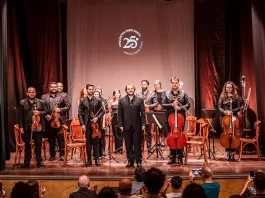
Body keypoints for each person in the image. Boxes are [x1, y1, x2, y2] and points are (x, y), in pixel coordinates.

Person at [162, 77, 190, 165]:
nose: (174, 84)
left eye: (176, 83)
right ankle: (172, 157)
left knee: (180, 135)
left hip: (181, 116)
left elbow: (188, 104)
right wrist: (172, 104)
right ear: (171, 84)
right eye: (173, 83)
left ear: (178, 84)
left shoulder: (183, 93)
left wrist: (180, 107)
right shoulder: (166, 94)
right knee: (171, 136)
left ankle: (180, 156)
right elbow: (163, 104)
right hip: (170, 117)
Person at [118, 84, 146, 168]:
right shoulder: (121, 100)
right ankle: (130, 161)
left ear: (134, 90)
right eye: (129, 89)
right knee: (128, 144)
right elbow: (119, 114)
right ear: (126, 90)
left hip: (137, 125)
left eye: (132, 88)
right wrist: (120, 125)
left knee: (137, 144)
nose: (130, 90)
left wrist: (143, 124)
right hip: (126, 126)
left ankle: (138, 161)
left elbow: (143, 113)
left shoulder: (139, 100)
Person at [41, 82, 71, 161]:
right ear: (49, 88)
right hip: (49, 120)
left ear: (57, 88)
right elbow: (42, 108)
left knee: (61, 139)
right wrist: (45, 115)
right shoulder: (44, 97)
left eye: (55, 87)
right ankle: (52, 155)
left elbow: (68, 106)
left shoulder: (63, 95)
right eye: (52, 87)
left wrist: (60, 109)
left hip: (60, 120)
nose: (53, 88)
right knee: (51, 139)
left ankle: (62, 155)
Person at [19, 87, 47, 168]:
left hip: (38, 127)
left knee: (38, 145)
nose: (31, 93)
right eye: (30, 92)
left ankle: (39, 161)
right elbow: (20, 116)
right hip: (27, 127)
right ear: (27, 93)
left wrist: (39, 112)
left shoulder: (41, 102)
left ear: (35, 93)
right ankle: (26, 162)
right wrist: (21, 127)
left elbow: (46, 112)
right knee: (27, 145)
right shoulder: (22, 102)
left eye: (33, 92)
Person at [78, 84, 104, 166]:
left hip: (96, 125)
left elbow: (102, 111)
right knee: (88, 143)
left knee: (96, 143)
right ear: (87, 90)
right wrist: (82, 124)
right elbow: (79, 114)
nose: (91, 90)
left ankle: (97, 160)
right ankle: (89, 160)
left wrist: (97, 118)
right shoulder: (83, 101)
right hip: (87, 124)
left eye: (92, 89)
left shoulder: (98, 100)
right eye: (89, 89)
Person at [218, 81, 241, 161]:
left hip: (234, 117)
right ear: (225, 88)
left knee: (234, 133)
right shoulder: (222, 96)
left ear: (232, 88)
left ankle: (233, 153)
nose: (229, 89)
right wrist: (225, 112)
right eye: (227, 87)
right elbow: (219, 107)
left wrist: (232, 111)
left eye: (230, 87)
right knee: (227, 135)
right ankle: (228, 152)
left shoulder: (236, 96)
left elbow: (239, 107)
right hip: (224, 118)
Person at [136, 80, 158, 153]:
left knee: (148, 132)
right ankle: (140, 147)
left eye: (144, 84)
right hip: (140, 115)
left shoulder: (152, 93)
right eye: (142, 84)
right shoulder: (138, 94)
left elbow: (156, 103)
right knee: (140, 132)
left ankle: (149, 148)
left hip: (149, 114)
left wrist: (148, 106)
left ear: (147, 85)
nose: (143, 85)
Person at [108, 89, 123, 153]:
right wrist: (110, 103)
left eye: (118, 93)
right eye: (115, 93)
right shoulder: (112, 102)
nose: (117, 94)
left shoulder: (122, 101)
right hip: (113, 118)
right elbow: (109, 110)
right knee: (115, 134)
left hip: (120, 118)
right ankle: (116, 148)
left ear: (120, 94)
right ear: (114, 94)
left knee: (120, 134)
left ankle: (120, 148)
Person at [153, 80, 167, 146]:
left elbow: (165, 100)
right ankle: (159, 141)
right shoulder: (153, 92)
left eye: (157, 84)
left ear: (160, 85)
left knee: (163, 125)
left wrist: (161, 105)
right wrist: (157, 105)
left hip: (163, 110)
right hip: (156, 110)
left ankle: (164, 141)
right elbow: (153, 101)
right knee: (158, 126)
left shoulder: (164, 92)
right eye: (155, 84)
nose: (156, 86)